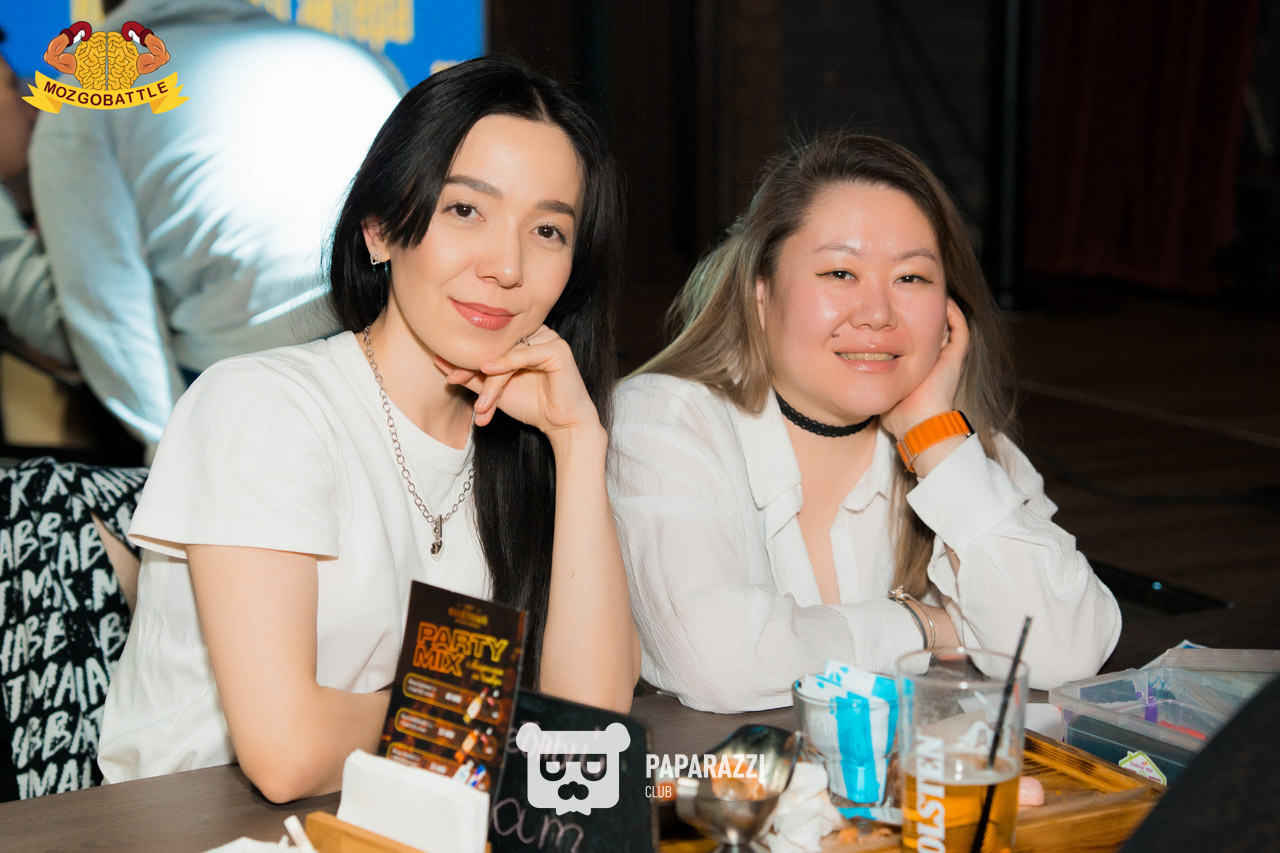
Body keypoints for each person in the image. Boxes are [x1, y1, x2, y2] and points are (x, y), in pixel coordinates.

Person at [97, 56, 640, 801]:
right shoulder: (264, 406)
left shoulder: (522, 446)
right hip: (194, 830)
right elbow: (287, 753)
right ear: (380, 229)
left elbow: (589, 725)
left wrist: (578, 445)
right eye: (465, 210)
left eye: (547, 229)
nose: (506, 265)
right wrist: (508, 717)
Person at [608, 132, 1121, 713]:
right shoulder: (663, 419)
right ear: (760, 294)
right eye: (839, 273)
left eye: (911, 278)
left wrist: (935, 439)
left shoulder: (960, 448)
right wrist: (926, 627)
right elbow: (720, 663)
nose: (878, 314)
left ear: (949, 313)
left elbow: (1066, 652)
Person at [27, 0, 404, 453]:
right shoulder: (357, 58)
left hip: (258, 377)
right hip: (403, 354)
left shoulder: (85, 93)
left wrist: (172, 448)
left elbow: (107, 306)